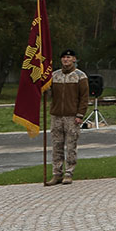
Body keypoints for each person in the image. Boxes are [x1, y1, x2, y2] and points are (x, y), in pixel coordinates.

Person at [45, 49, 89, 186]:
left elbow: (84, 98)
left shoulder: (80, 76)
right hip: (56, 115)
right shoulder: (54, 76)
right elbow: (47, 93)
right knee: (56, 145)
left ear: (74, 59)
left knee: (71, 145)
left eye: (69, 57)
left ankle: (69, 172)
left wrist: (80, 114)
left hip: (72, 116)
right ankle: (56, 173)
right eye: (63, 57)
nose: (66, 60)